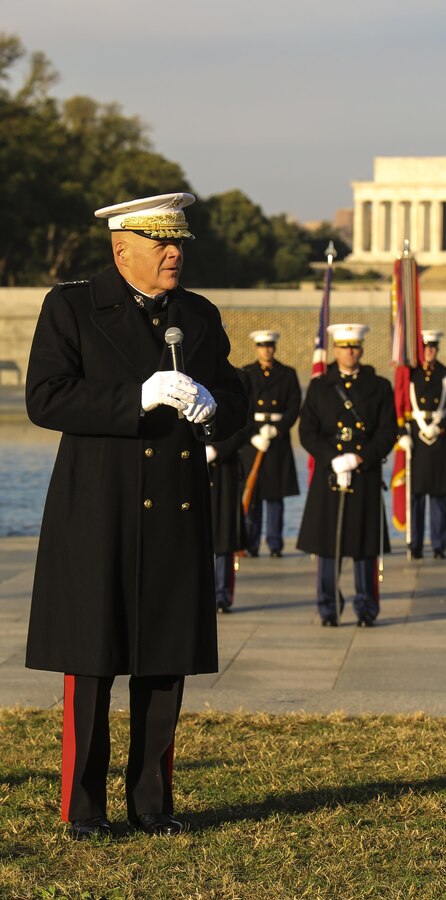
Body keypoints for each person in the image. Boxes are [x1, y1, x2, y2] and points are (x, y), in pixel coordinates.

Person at [25, 192, 248, 840]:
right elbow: (46, 397)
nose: (175, 253)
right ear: (123, 248)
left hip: (175, 514)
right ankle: (84, 808)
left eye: (179, 243)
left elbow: (234, 395)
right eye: (162, 243)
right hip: (100, 512)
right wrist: (135, 398)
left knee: (163, 661)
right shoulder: (70, 307)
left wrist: (216, 407)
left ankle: (152, 803)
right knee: (92, 665)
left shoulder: (198, 317)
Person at [296, 323, 397, 627]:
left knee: (365, 548)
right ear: (335, 350)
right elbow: (307, 432)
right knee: (328, 548)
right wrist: (333, 459)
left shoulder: (379, 386)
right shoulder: (319, 386)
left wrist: (359, 458)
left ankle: (366, 608)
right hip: (330, 476)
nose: (350, 352)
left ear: (361, 349)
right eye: (344, 346)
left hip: (364, 475)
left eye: (354, 346)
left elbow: (387, 430)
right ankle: (328, 608)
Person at [240, 330, 301, 558]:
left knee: (275, 496)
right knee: (252, 494)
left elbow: (294, 407)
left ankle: (275, 544)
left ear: (274, 348)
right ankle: (251, 544)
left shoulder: (287, 374)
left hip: (277, 440)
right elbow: (242, 408)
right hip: (253, 440)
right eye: (262, 346)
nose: (266, 350)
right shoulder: (246, 374)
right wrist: (252, 434)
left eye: (269, 346)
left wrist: (277, 428)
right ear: (256, 349)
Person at [405, 330, 446, 560]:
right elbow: (399, 405)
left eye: (433, 347)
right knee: (416, 496)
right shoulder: (410, 374)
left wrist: (442, 427)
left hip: (440, 440)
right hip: (417, 441)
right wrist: (403, 433)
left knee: (439, 496)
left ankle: (439, 545)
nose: (429, 351)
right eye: (426, 347)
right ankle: (415, 544)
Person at [205, 368, 250, 613]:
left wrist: (217, 450)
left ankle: (222, 594)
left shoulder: (236, 377)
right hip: (190, 462)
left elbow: (244, 423)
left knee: (224, 533)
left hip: (224, 467)